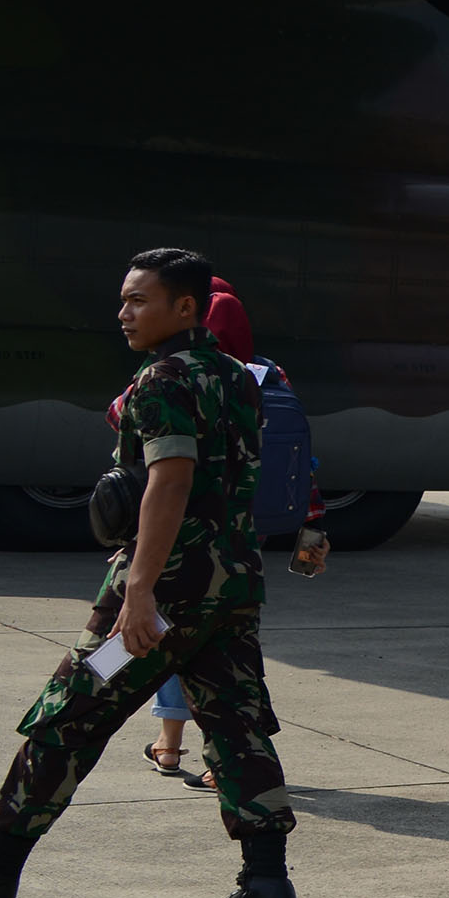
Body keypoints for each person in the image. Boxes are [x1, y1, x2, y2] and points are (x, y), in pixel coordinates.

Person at [0, 248, 303, 898]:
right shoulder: (235, 376)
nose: (124, 312)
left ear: (185, 307)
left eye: (139, 300)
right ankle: (266, 884)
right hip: (226, 591)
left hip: (158, 602)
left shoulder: (162, 380)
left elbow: (169, 480)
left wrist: (139, 592)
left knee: (71, 713)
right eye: (123, 299)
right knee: (237, 728)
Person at [140, 276, 327, 788]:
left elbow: (125, 423)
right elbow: (296, 459)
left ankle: (169, 745)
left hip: (178, 541)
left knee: (167, 642)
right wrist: (311, 526)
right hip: (245, 541)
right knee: (226, 651)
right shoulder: (267, 375)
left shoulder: (173, 373)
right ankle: (219, 761)